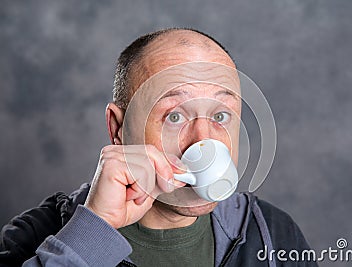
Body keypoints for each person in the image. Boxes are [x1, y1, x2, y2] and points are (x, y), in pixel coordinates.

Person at [0, 28, 317, 267]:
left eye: (221, 115)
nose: (204, 139)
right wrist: (91, 235)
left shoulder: (273, 234)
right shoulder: (34, 235)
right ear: (118, 129)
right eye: (175, 116)